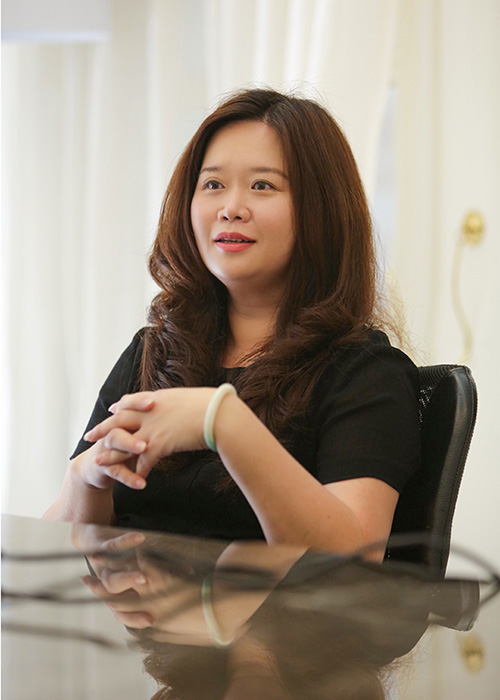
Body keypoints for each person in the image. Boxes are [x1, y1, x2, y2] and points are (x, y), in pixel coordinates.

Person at [44, 88, 420, 557]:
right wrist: (84, 480)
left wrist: (224, 423)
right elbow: (50, 555)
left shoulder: (365, 372)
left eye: (263, 186)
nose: (231, 207)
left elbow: (353, 560)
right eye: (213, 185)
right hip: (134, 604)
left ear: (321, 210)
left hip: (270, 609)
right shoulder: (153, 351)